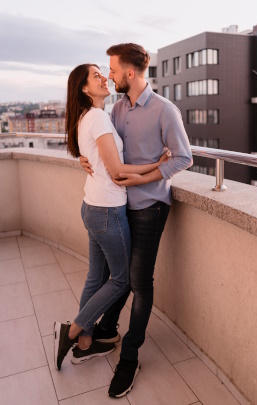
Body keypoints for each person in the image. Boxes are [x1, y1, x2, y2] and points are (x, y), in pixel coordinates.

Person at [79, 43, 193, 397]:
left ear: (130, 73)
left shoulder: (165, 110)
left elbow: (184, 158)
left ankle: (129, 356)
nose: (109, 75)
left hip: (150, 207)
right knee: (121, 277)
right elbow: (108, 152)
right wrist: (85, 161)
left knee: (140, 281)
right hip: (119, 205)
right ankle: (107, 332)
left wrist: (145, 178)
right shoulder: (116, 109)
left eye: (112, 70)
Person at [53, 63, 169, 371]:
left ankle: (86, 344)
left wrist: (83, 158)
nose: (104, 77)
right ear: (84, 88)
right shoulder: (100, 117)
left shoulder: (85, 117)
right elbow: (118, 172)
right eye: (95, 75)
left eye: (103, 72)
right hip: (107, 212)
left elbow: (97, 157)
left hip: (92, 206)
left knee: (96, 277)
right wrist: (156, 167)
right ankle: (73, 331)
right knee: (120, 280)